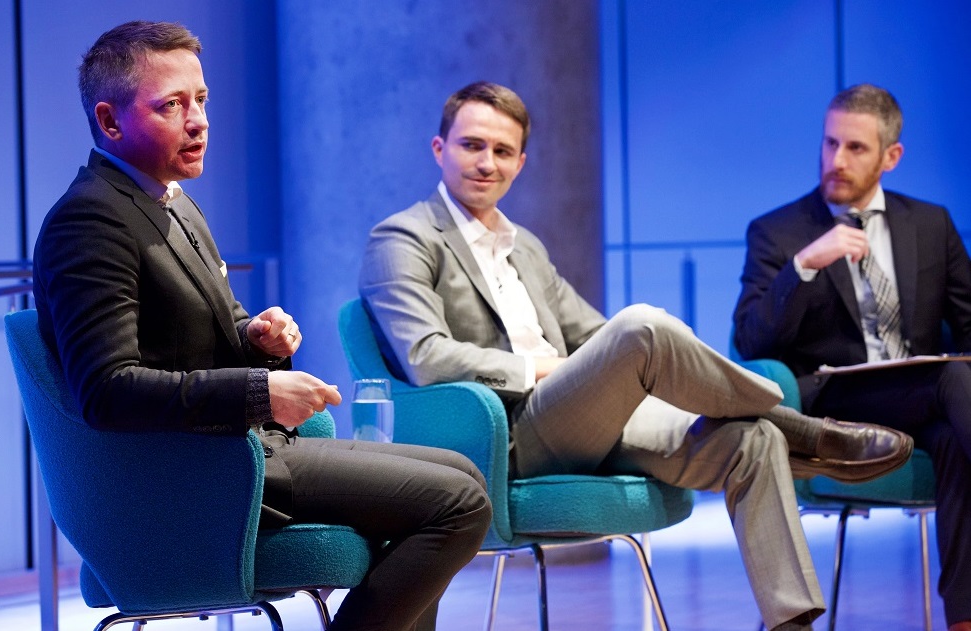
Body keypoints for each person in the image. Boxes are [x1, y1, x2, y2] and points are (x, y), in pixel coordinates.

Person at [359, 81, 913, 631]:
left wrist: (604, 366)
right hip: (507, 433)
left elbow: (597, 337)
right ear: (440, 149)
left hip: (585, 424)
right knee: (642, 325)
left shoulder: (524, 245)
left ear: (521, 162)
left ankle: (790, 622)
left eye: (503, 151)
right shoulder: (404, 237)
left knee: (751, 440)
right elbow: (425, 356)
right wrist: (553, 368)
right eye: (471, 145)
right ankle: (807, 431)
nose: (487, 162)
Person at [32, 21, 492, 631]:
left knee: (459, 474)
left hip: (236, 452)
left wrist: (257, 338)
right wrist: (261, 391)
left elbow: (189, 335)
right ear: (111, 122)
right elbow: (107, 390)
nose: (198, 120)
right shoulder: (90, 220)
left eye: (201, 99)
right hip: (198, 476)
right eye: (172, 105)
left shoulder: (168, 199)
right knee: (457, 503)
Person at [735, 83, 971, 631]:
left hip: (918, 395)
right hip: (834, 400)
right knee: (953, 385)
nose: (836, 161)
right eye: (829, 143)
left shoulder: (931, 225)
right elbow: (751, 341)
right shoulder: (779, 232)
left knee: (957, 434)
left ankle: (962, 619)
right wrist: (805, 266)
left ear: (892, 156)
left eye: (856, 148)